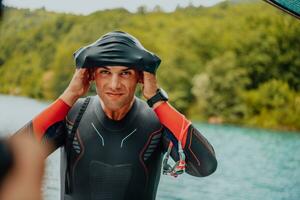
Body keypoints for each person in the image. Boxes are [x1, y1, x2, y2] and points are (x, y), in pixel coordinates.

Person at [16, 31, 217, 200]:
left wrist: (157, 100)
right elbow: (13, 161)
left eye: (125, 73)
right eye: (105, 72)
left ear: (140, 77)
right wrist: (69, 95)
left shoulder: (157, 123)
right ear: (92, 75)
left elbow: (205, 166)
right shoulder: (72, 115)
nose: (114, 84)